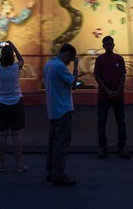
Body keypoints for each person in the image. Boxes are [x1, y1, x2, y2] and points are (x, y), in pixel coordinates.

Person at [0, 40, 27, 172]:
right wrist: (14, 47)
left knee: (1, 136)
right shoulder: (16, 67)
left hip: (1, 103)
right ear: (12, 56)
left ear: (2, 56)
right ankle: (19, 165)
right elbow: (22, 60)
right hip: (16, 102)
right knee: (17, 135)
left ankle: (1, 164)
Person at [44, 42, 79, 186]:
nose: (70, 62)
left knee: (53, 143)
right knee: (62, 144)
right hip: (63, 108)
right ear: (66, 54)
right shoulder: (60, 66)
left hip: (52, 109)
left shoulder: (48, 65)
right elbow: (73, 82)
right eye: (70, 59)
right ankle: (59, 174)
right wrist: (76, 68)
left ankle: (50, 172)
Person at [93, 35, 129, 159]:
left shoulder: (119, 59)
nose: (109, 46)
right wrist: (108, 91)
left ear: (113, 45)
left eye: (110, 44)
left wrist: (117, 91)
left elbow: (123, 75)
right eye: (106, 44)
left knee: (121, 122)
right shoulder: (100, 60)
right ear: (103, 46)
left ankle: (122, 147)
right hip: (104, 96)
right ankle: (103, 148)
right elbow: (97, 76)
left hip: (117, 96)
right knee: (102, 122)